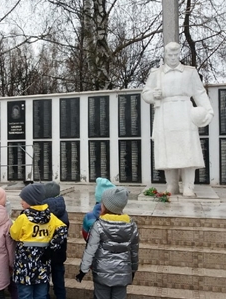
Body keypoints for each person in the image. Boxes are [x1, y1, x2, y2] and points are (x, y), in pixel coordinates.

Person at [142, 42, 214, 196]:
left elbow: (199, 92)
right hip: (165, 113)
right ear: (165, 55)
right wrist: (153, 95)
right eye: (170, 55)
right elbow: (145, 93)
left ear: (179, 54)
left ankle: (189, 186)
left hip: (184, 112)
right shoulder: (157, 73)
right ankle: (172, 185)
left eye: (176, 55)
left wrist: (208, 110)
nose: (173, 58)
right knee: (169, 152)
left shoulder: (189, 72)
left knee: (187, 150)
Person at [76, 187, 139, 299]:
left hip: (102, 274)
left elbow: (90, 249)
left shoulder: (98, 225)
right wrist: (133, 269)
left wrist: (83, 270)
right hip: (122, 274)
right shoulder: (131, 226)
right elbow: (134, 251)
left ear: (105, 206)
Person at [10, 183, 68, 299]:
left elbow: (14, 235)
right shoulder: (50, 216)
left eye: (23, 199)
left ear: (31, 201)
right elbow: (62, 230)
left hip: (24, 265)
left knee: (25, 294)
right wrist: (52, 247)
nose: (21, 202)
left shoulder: (23, 217)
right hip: (42, 264)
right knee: (41, 294)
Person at [42, 182, 69, 299]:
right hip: (59, 251)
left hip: (45, 252)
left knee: (44, 283)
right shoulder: (63, 209)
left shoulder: (43, 210)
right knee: (59, 281)